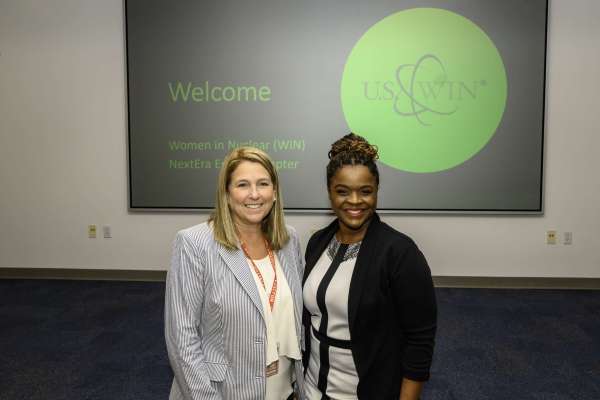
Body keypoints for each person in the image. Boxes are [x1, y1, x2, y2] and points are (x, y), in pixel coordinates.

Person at [302, 134, 437, 400]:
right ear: (329, 192)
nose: (355, 201)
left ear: (376, 192)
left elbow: (420, 342)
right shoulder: (317, 242)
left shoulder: (399, 253)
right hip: (312, 389)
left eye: (365, 191)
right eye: (343, 191)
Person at [165, 146, 305, 400]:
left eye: (263, 183)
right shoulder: (195, 243)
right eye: (242, 185)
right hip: (223, 392)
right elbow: (182, 340)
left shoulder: (289, 240)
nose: (254, 194)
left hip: (284, 389)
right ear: (227, 194)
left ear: (274, 192)